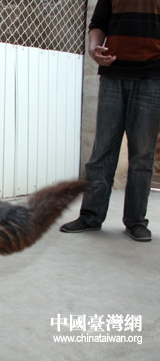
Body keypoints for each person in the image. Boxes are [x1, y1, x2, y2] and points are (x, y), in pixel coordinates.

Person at [60, 0, 160, 242]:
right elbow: (98, 24)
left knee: (142, 155)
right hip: (113, 74)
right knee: (102, 150)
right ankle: (90, 216)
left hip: (153, 75)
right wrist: (94, 49)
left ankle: (136, 221)